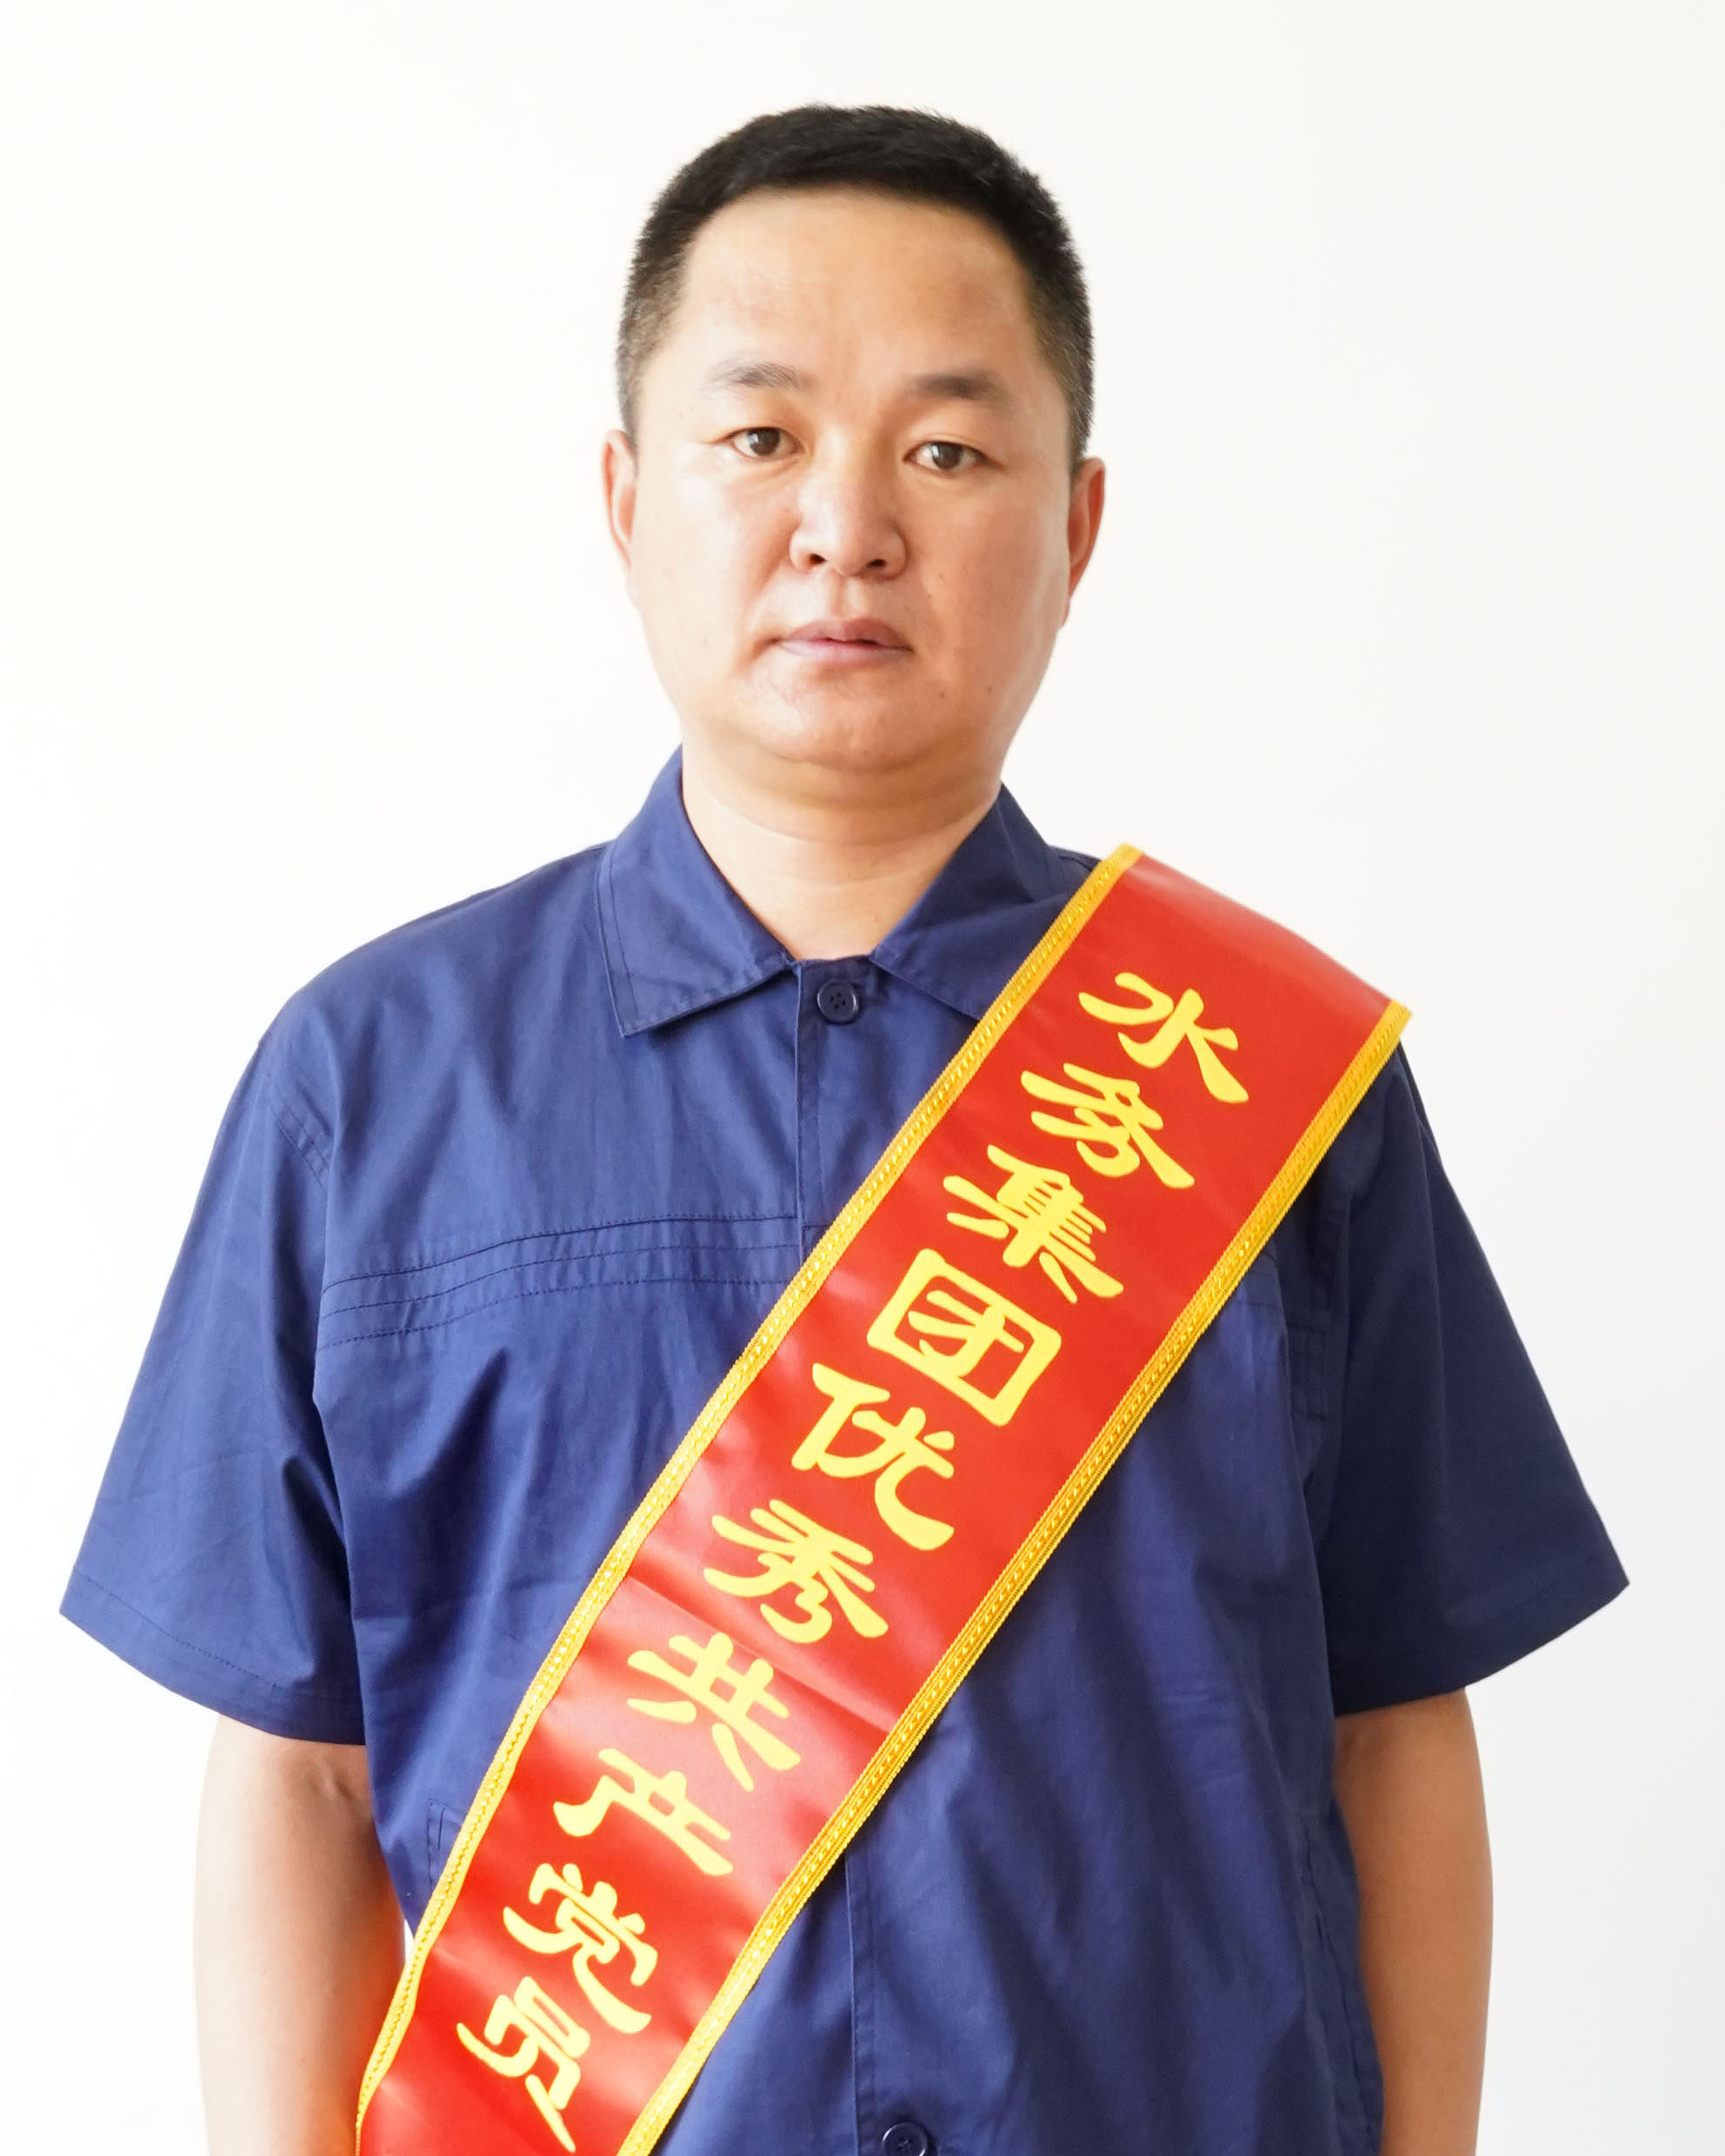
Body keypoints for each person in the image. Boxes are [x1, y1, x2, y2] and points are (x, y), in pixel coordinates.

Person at [63, 105, 1625, 2156]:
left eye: (946, 451)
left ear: (1074, 527)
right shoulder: (369, 1083)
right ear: (626, 500)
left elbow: (1392, 1727)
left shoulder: (1266, 1079)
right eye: (759, 435)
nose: (845, 525)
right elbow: (297, 1771)